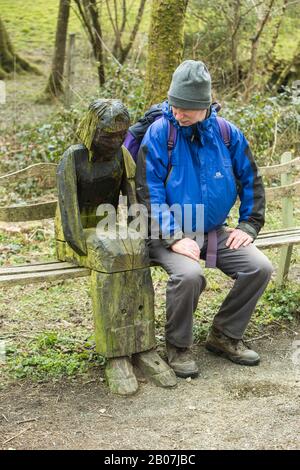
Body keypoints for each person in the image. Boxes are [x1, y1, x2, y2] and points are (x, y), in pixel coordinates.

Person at [135, 60, 273, 378]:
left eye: (186, 108)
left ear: (206, 105)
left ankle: (224, 336)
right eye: (174, 105)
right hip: (163, 233)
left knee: (259, 267)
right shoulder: (161, 133)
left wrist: (249, 224)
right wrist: (174, 236)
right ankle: (178, 347)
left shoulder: (227, 133)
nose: (178, 113)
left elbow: (250, 179)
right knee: (189, 276)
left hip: (212, 230)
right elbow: (149, 192)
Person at [55, 98, 176, 395]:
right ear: (92, 130)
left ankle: (144, 346)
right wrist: (88, 246)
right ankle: (116, 355)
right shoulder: (73, 158)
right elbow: (69, 215)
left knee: (136, 250)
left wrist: (137, 237)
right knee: (114, 256)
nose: (115, 141)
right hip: (75, 233)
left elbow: (134, 202)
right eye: (108, 135)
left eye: (120, 134)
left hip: (108, 230)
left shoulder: (123, 156)